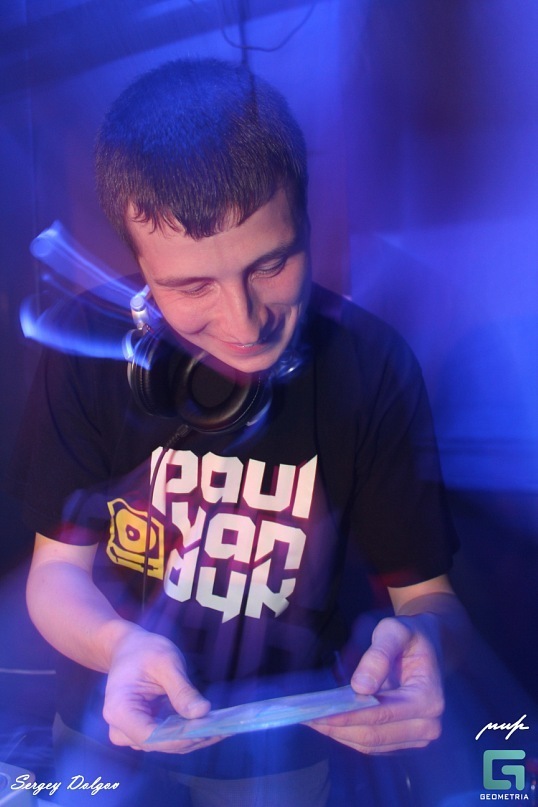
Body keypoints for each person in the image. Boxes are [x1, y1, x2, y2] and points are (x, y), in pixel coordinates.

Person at [11, 58, 467, 805]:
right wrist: (120, 646)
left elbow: (429, 598)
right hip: (108, 733)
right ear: (141, 271)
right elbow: (55, 575)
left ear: (307, 223)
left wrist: (427, 645)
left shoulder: (372, 365)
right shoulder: (86, 356)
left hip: (281, 754)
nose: (244, 322)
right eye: (191, 286)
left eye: (272, 264)